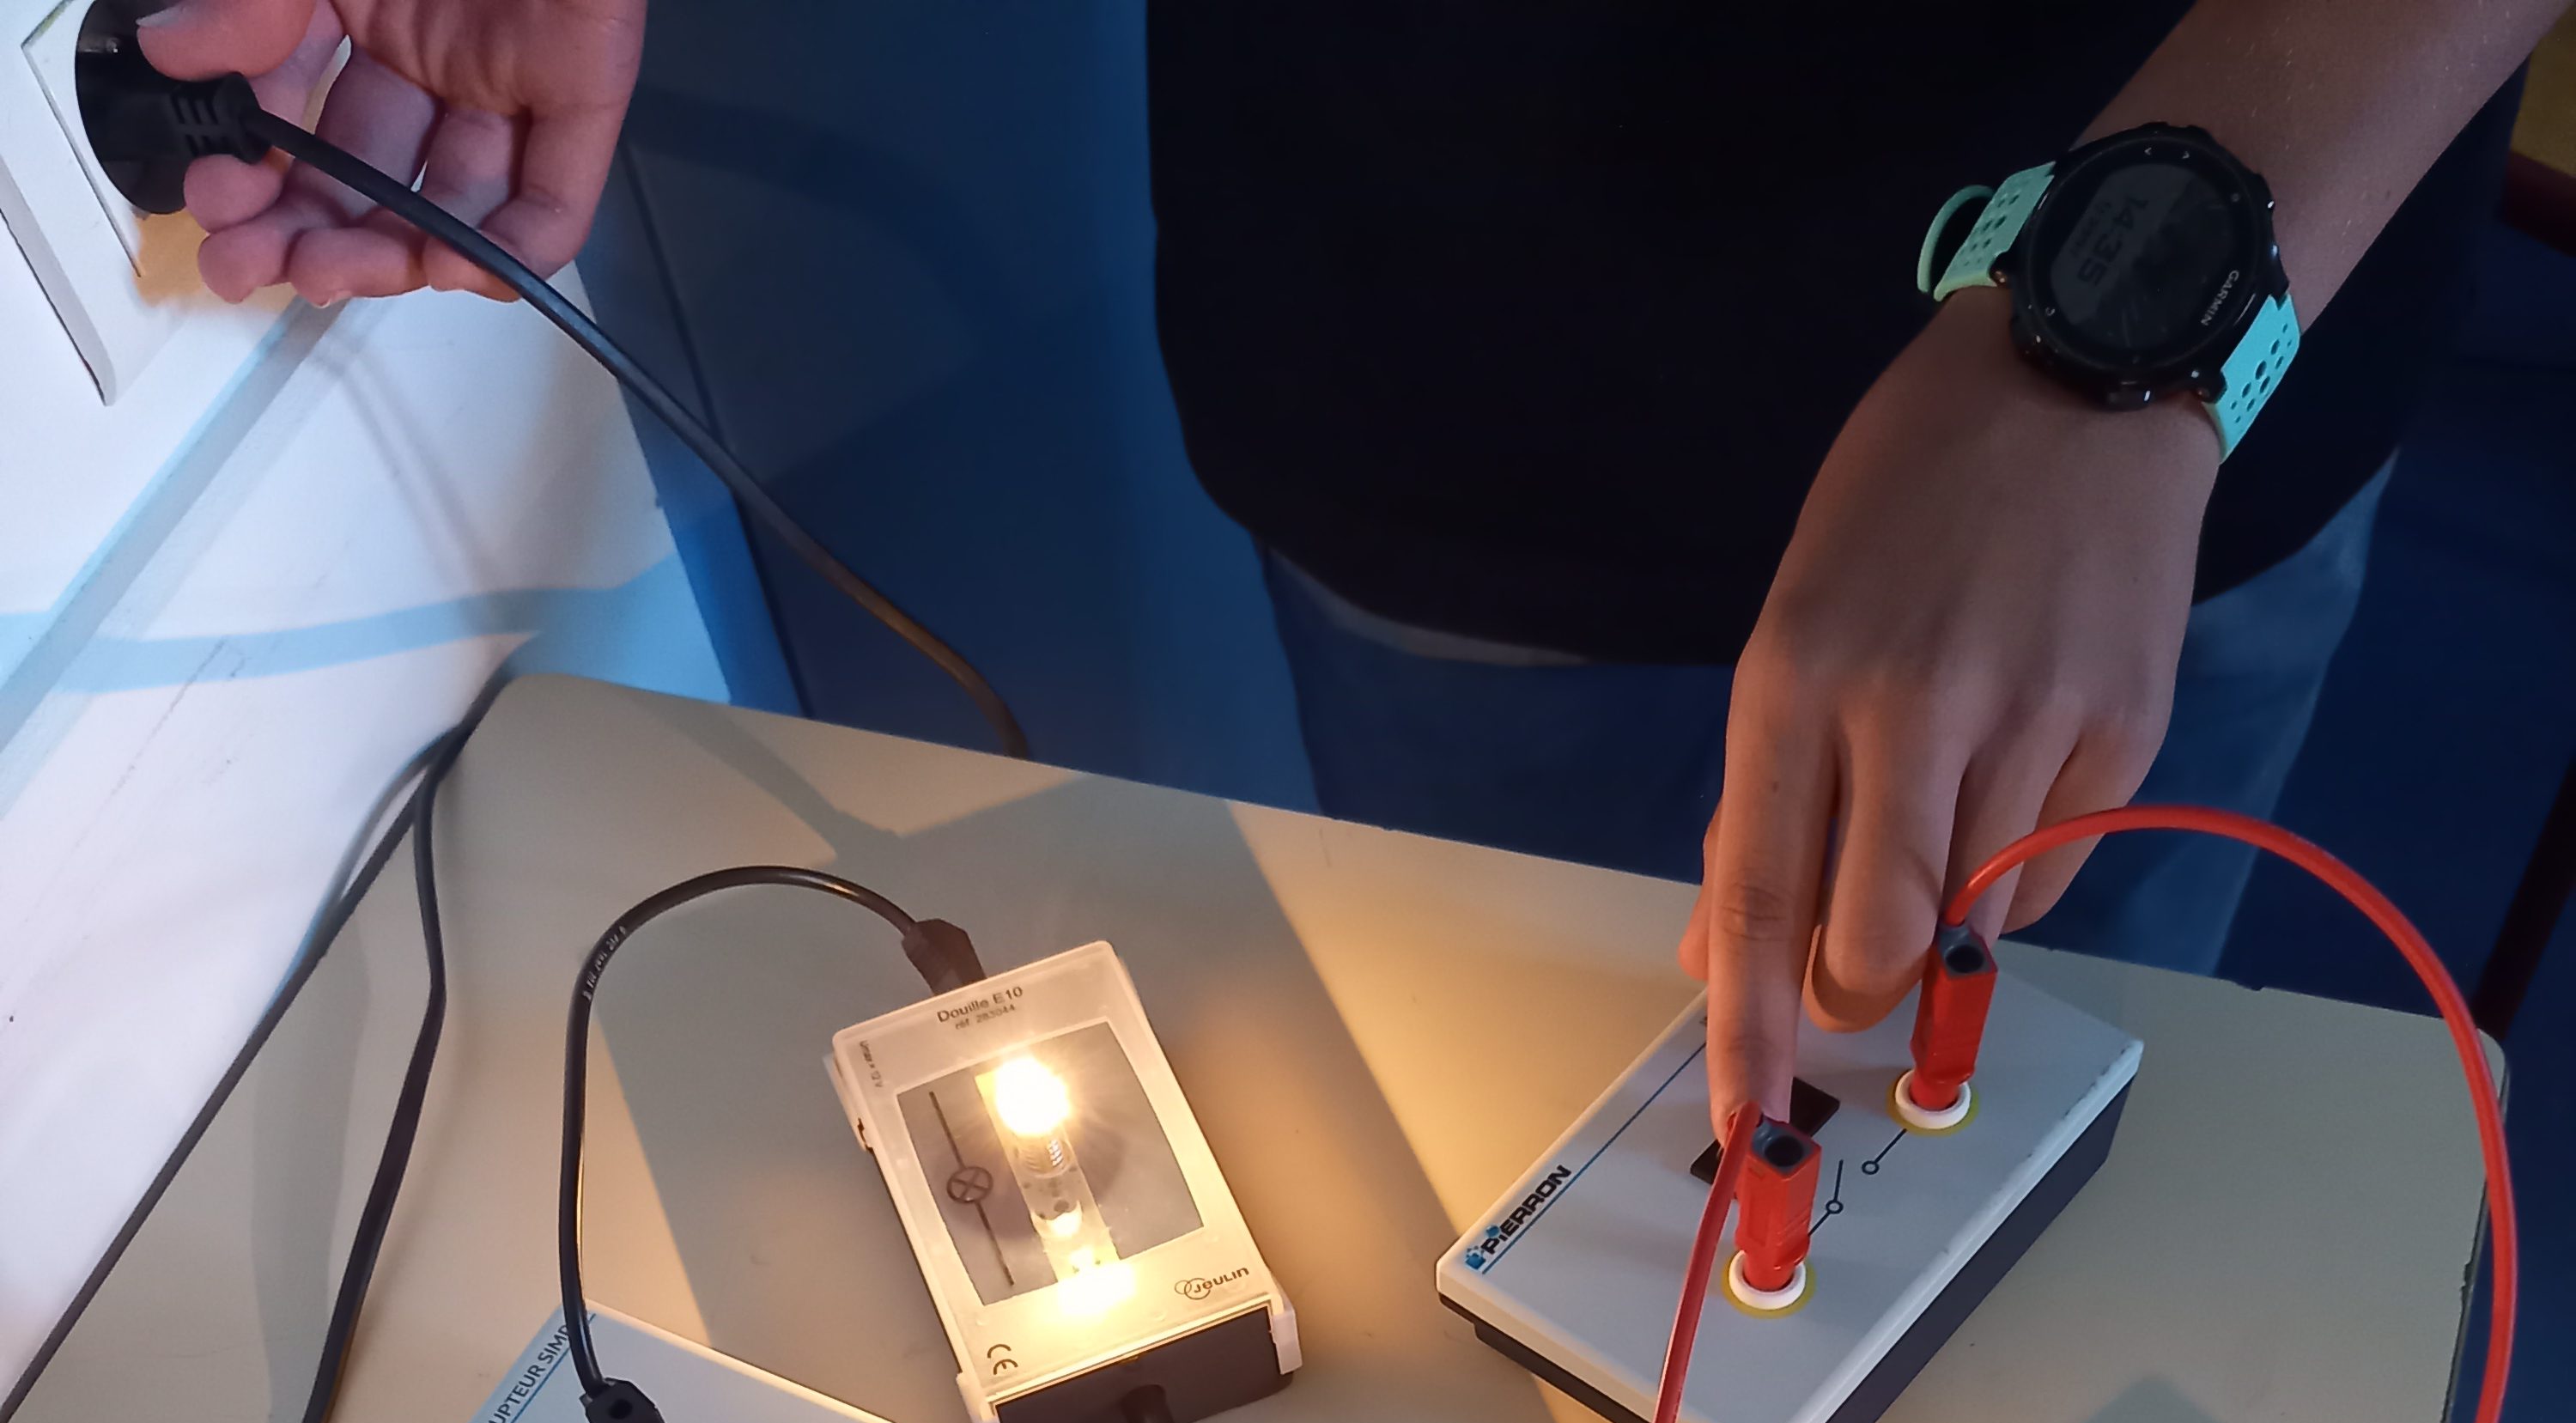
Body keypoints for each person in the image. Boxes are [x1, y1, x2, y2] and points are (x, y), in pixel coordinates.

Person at [138, 0, 2553, 1135]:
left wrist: (2120, 325)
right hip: (1451, 340)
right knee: (1576, 1111)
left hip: (2158, 397)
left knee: (2028, 1121)